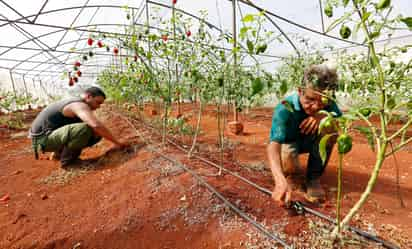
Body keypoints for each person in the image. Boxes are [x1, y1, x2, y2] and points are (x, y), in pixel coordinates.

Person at [267, 64, 342, 205]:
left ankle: (313, 178)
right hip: (289, 142)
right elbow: (273, 145)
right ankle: (290, 176)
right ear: (300, 91)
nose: (315, 106)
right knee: (289, 164)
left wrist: (322, 117)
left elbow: (339, 120)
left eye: (322, 102)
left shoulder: (329, 104)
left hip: (312, 142)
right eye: (310, 99)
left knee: (331, 128)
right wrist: (279, 179)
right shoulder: (284, 108)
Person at [29, 86, 128, 167]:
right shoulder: (79, 105)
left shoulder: (77, 103)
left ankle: (58, 154)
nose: (98, 106)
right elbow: (95, 125)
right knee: (85, 129)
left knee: (96, 133)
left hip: (46, 137)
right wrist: (118, 143)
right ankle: (69, 163)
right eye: (98, 102)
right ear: (88, 96)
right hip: (41, 140)